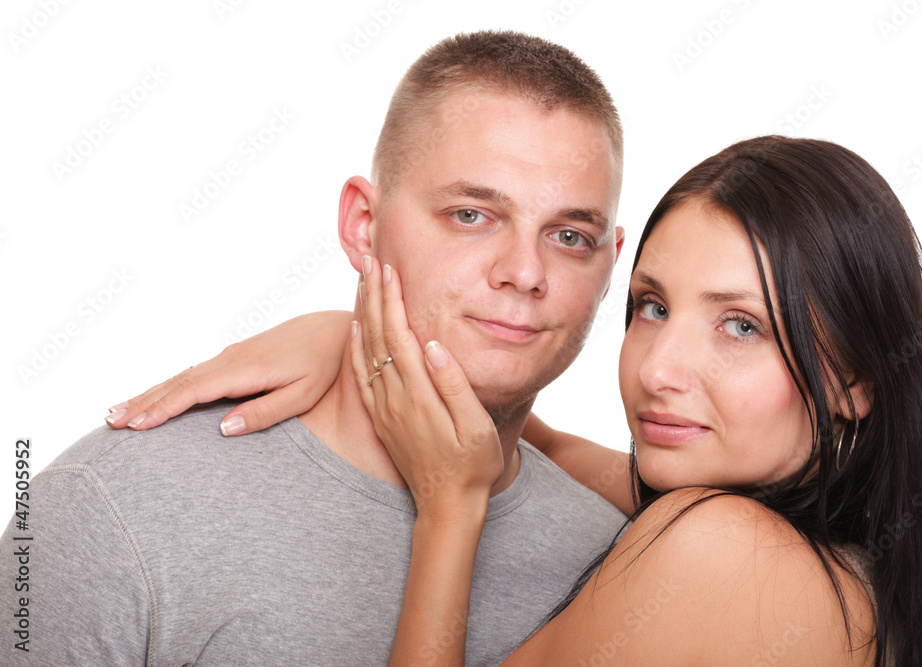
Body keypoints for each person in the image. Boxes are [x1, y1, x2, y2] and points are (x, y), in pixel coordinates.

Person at [119, 136, 922, 665]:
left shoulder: (725, 550)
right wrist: (356, 335)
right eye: (653, 306)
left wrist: (452, 509)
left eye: (741, 326)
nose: (660, 367)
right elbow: (540, 446)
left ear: (856, 382)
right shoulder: (842, 558)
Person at [0, 31, 630, 665]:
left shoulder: (619, 564)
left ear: (612, 267)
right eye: (471, 214)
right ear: (363, 226)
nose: (524, 272)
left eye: (571, 235)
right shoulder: (111, 508)